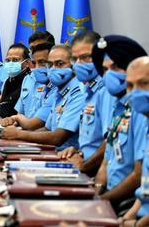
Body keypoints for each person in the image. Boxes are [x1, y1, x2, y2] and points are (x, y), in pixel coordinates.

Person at [91, 35, 147, 210]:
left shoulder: (140, 111)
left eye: (115, 67)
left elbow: (138, 176)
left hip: (126, 201)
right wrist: (96, 193)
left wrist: (100, 203)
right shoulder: (119, 108)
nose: (108, 75)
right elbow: (105, 164)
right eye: (104, 69)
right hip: (109, 194)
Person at [1, 45, 84, 150]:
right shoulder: (59, 93)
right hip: (51, 152)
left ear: (74, 66)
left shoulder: (78, 93)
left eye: (60, 64)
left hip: (68, 157)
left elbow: (57, 137)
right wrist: (20, 141)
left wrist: (19, 134)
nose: (53, 69)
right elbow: (47, 128)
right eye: (50, 65)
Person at [58, 31, 116, 176]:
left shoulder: (107, 90)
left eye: (85, 57)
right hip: (84, 163)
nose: (78, 64)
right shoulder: (87, 89)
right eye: (75, 59)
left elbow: (109, 142)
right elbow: (92, 140)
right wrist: (77, 150)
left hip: (97, 171)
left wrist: (83, 165)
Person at [120, 56, 149, 227]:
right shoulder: (146, 124)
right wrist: (126, 219)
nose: (135, 92)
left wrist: (136, 225)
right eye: (130, 86)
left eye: (144, 83)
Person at [10, 41, 54, 121]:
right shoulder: (28, 78)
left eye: (42, 62)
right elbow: (20, 113)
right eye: (34, 63)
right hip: (25, 129)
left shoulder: (55, 86)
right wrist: (13, 121)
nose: (37, 67)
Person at [0, 43, 31, 118]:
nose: (10, 63)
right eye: (8, 60)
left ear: (26, 63)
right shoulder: (7, 80)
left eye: (15, 60)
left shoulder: (30, 80)